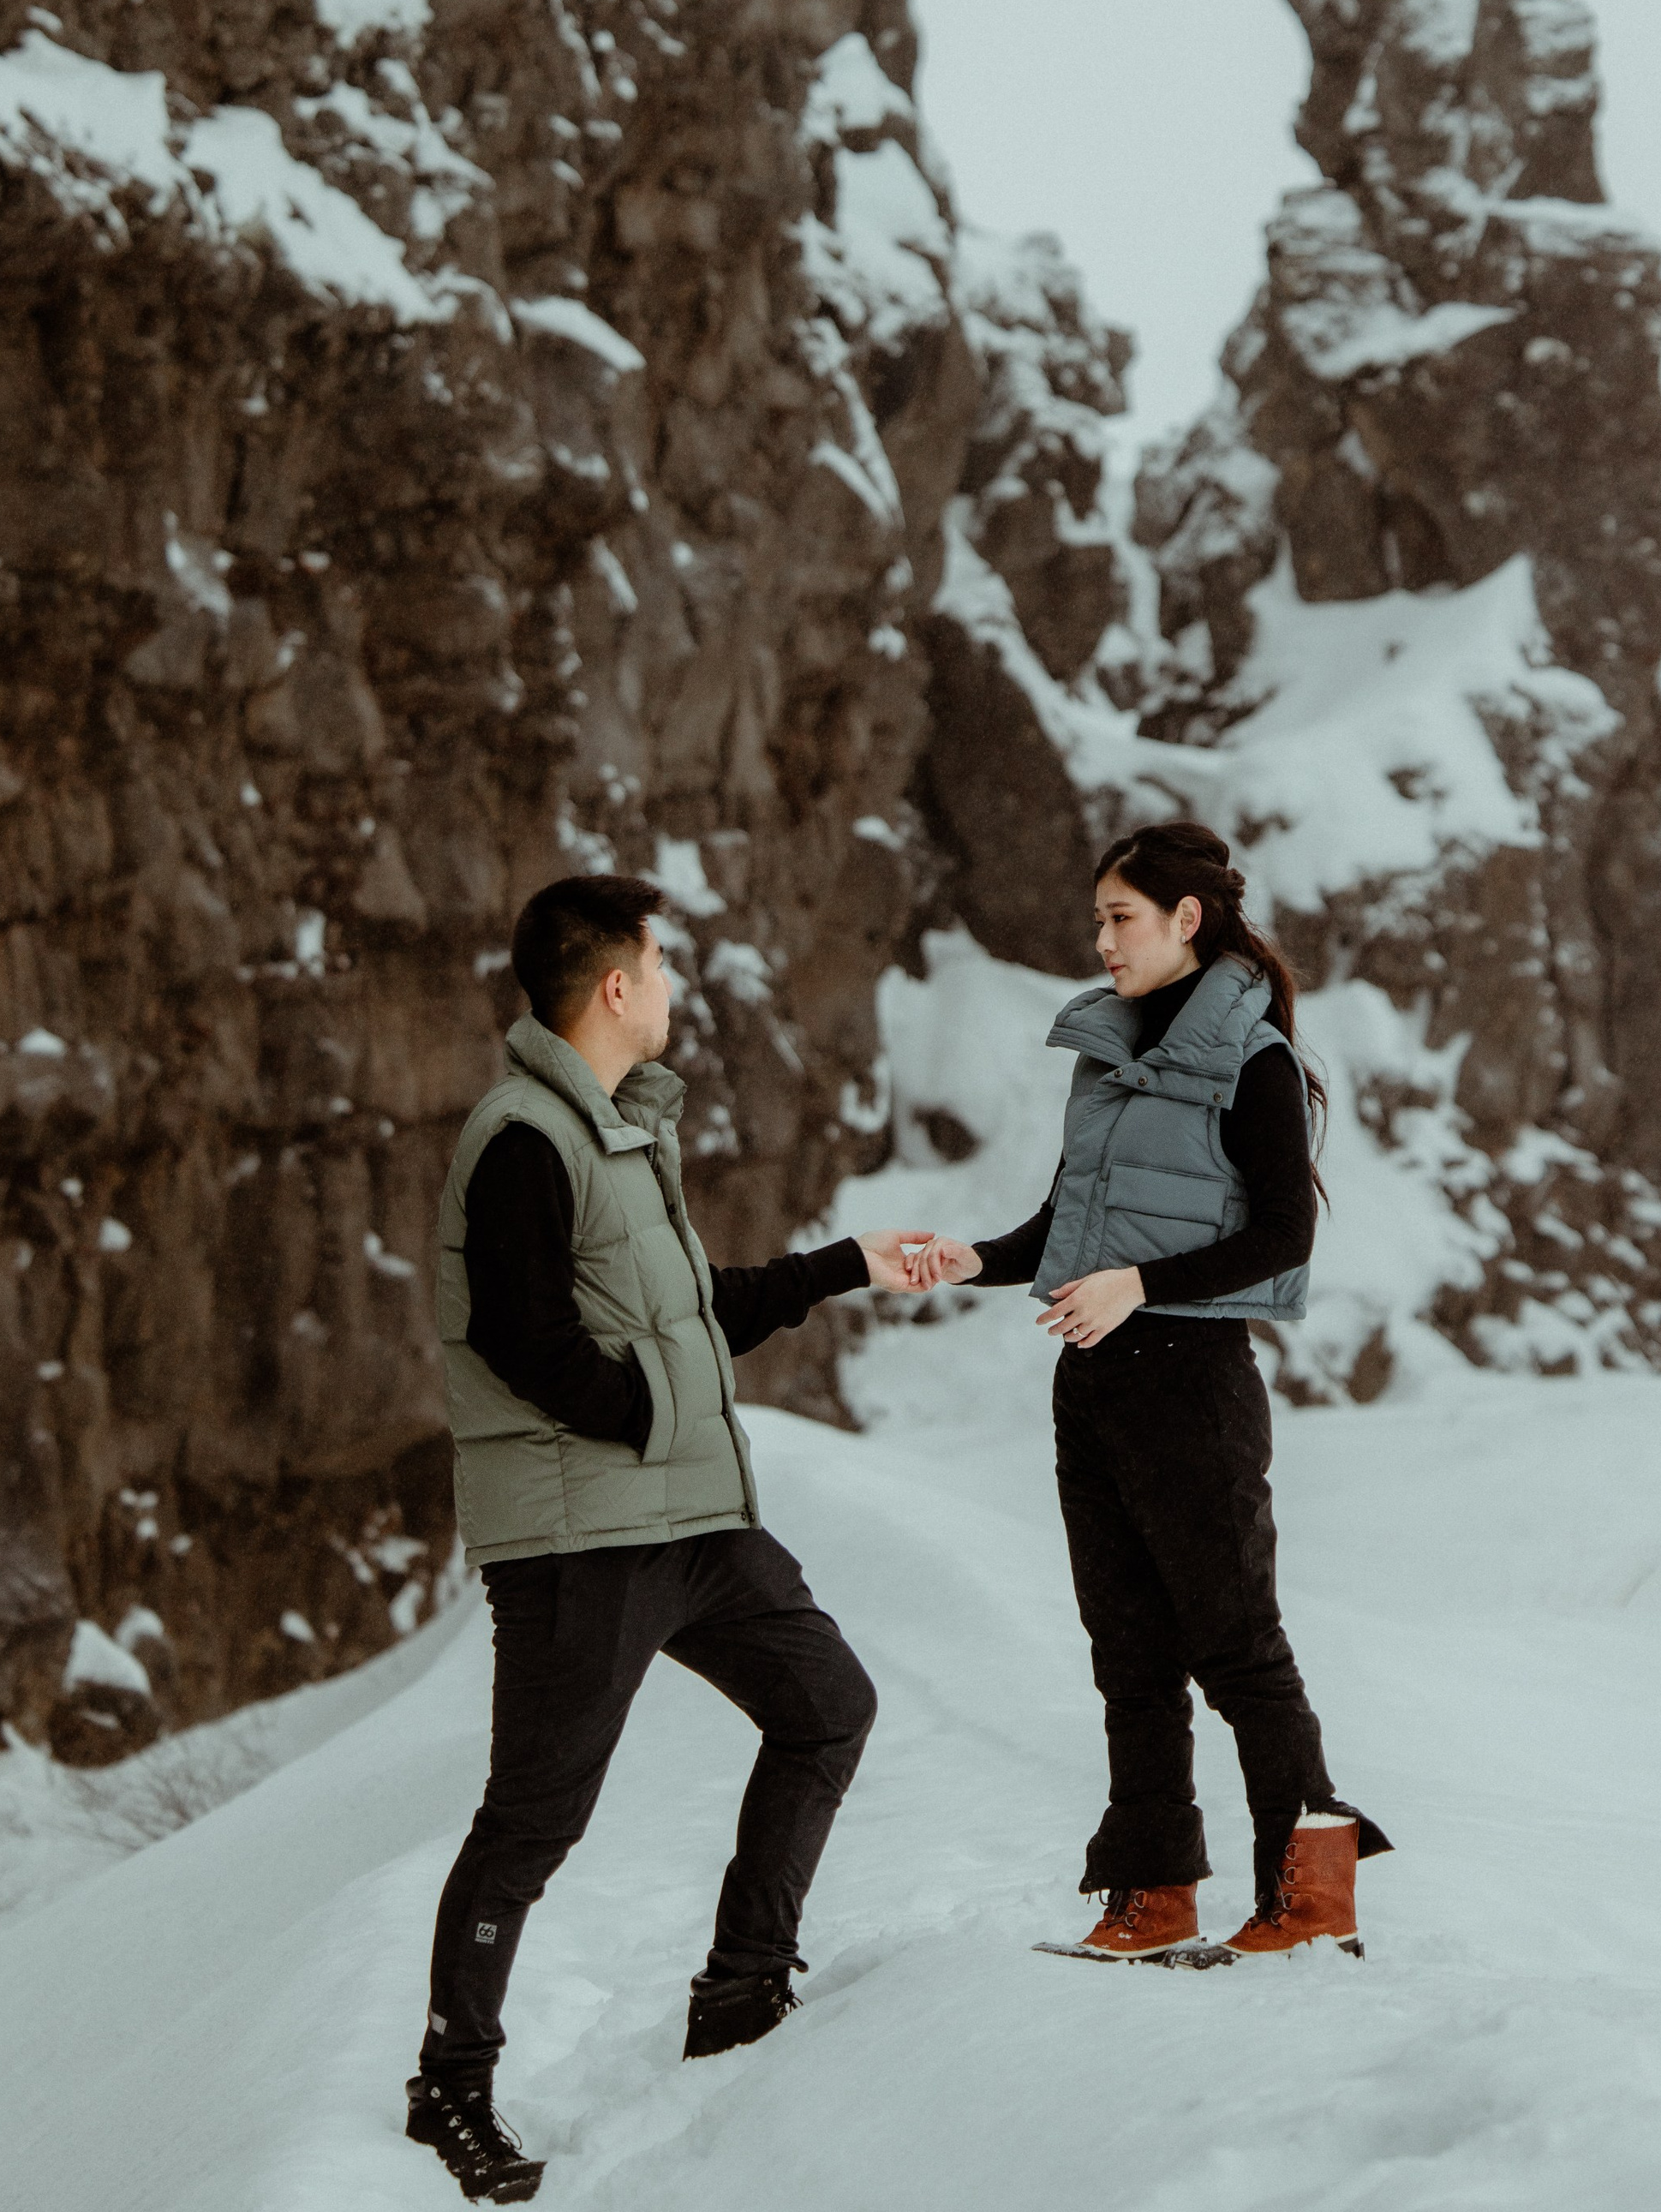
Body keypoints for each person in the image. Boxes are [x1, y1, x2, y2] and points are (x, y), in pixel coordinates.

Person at [407, 871, 924, 2203]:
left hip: (690, 1519)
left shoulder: (619, 1134)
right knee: (532, 1821)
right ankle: (451, 2085)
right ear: (618, 984)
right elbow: (520, 1338)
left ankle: (741, 1991)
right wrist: (643, 1409)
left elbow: (694, 1312)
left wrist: (842, 1263)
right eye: (663, 961)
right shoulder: (523, 1137)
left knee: (828, 1703)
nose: (677, 985)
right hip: (585, 1540)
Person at [907, 818, 1389, 1965]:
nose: (1101, 940)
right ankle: (1153, 1893)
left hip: (1195, 1382)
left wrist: (1139, 1285)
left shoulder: (1257, 1058)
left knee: (1236, 1648)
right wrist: (977, 1256)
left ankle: (1313, 1900)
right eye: (1095, 920)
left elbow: (1282, 1236)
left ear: (1187, 919)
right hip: (1097, 1383)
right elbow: (1069, 1228)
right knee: (1126, 1651)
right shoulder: (1107, 1056)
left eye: (1119, 918)